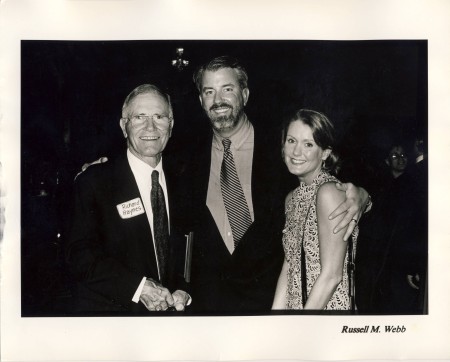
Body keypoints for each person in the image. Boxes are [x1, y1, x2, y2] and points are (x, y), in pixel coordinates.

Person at [184, 56, 370, 313]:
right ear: (201, 100)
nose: (218, 100)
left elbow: (341, 178)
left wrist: (362, 196)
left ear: (245, 94)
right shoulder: (185, 157)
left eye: (227, 89)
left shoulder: (284, 143)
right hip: (214, 305)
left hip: (275, 300)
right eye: (209, 91)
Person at [65, 84, 190, 314]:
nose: (150, 126)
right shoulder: (95, 182)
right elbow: (78, 256)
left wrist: (184, 290)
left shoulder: (185, 181)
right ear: (124, 126)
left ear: (171, 126)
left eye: (159, 116)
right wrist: (138, 287)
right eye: (139, 117)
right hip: (115, 320)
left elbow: (191, 251)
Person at [271, 109, 358, 310]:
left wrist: (302, 326)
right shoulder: (292, 198)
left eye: (308, 144)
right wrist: (275, 318)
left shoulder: (329, 192)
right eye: (291, 141)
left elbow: (332, 275)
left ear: (325, 153)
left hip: (325, 315)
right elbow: (290, 263)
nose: (296, 152)